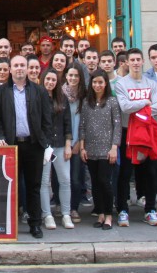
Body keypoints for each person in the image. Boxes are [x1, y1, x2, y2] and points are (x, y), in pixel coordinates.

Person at [0, 55, 53, 239]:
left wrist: (45, 143)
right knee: (11, 186)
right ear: (10, 69)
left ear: (28, 69)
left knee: (34, 186)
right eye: (15, 65)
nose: (19, 68)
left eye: (22, 65)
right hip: (11, 146)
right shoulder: (2, 92)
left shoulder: (39, 91)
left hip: (33, 146)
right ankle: (9, 224)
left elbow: (46, 120)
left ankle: (35, 224)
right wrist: (0, 137)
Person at [113, 48, 157, 227]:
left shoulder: (152, 84)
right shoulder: (121, 84)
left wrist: (139, 108)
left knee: (149, 172)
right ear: (126, 62)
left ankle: (150, 209)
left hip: (147, 131)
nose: (135, 63)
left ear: (143, 62)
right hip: (127, 131)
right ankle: (123, 210)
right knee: (124, 173)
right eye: (131, 60)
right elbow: (124, 106)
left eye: (138, 59)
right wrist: (145, 103)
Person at [78, 69, 121, 230]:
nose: (97, 85)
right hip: (90, 148)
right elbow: (82, 126)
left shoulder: (112, 102)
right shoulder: (86, 103)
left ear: (105, 84)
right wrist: (82, 147)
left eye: (100, 82)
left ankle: (109, 215)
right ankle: (100, 213)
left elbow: (117, 126)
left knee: (105, 181)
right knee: (95, 183)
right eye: (95, 82)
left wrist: (114, 147)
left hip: (106, 149)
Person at [38, 69, 73, 230]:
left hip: (59, 145)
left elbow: (67, 123)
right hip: (44, 146)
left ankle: (66, 214)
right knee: (44, 182)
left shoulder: (62, 99)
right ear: (42, 80)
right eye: (48, 79)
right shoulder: (37, 98)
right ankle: (47, 215)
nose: (50, 82)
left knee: (65, 180)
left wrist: (68, 144)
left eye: (53, 80)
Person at [63, 63, 88, 224]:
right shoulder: (60, 94)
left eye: (76, 76)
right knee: (62, 179)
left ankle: (73, 208)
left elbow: (86, 121)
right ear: (66, 76)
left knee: (76, 178)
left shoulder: (85, 97)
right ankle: (63, 207)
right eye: (70, 75)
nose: (73, 78)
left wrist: (80, 142)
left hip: (79, 142)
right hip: (63, 142)